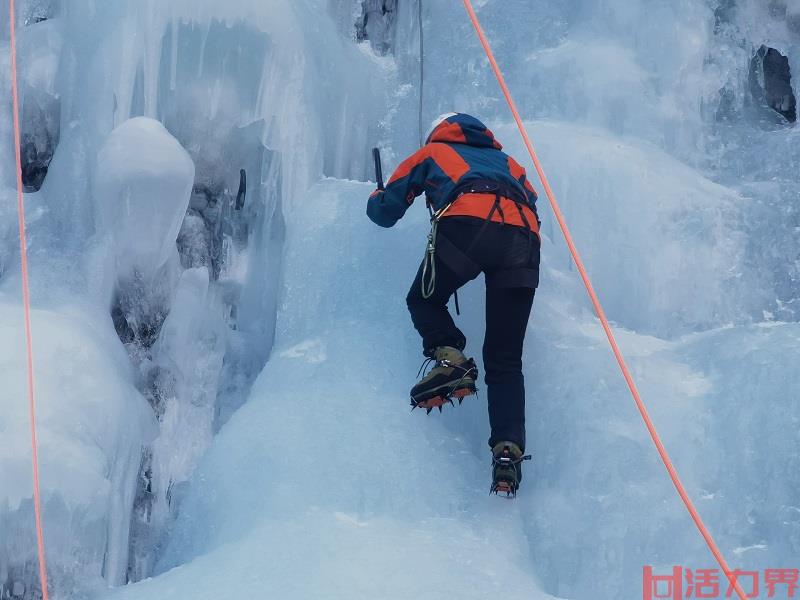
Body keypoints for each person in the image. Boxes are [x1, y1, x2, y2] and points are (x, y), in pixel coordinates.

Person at [366, 113, 541, 495]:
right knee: (505, 359)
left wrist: (376, 198)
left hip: (470, 224)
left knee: (424, 300)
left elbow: (385, 212)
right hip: (525, 240)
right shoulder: (512, 164)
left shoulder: (435, 150)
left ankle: (452, 359)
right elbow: (531, 200)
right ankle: (506, 453)